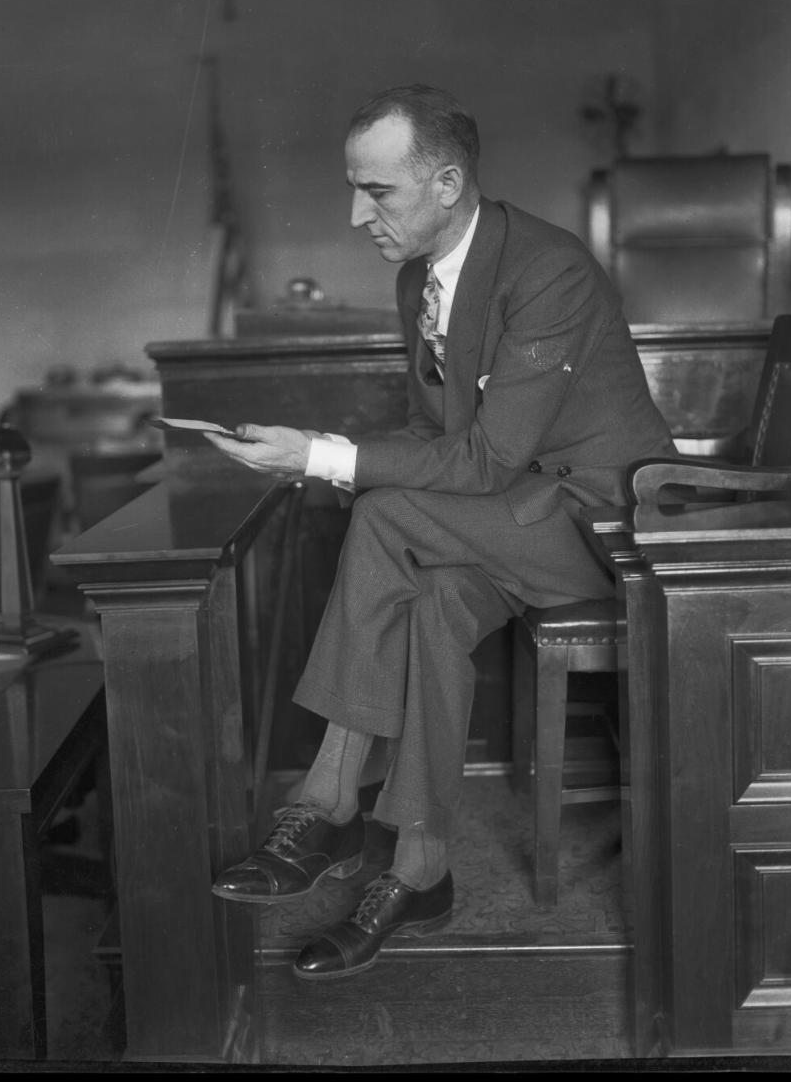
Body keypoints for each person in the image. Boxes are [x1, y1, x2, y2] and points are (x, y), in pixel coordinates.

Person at [204, 84, 675, 980]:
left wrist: (324, 457)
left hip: (596, 527)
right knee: (423, 602)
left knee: (381, 512)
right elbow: (438, 437)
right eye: (354, 188)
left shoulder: (549, 269)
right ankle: (420, 870)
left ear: (448, 183)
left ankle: (326, 795)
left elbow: (490, 458)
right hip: (503, 527)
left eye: (376, 191)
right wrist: (336, 461)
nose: (354, 214)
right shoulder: (417, 278)